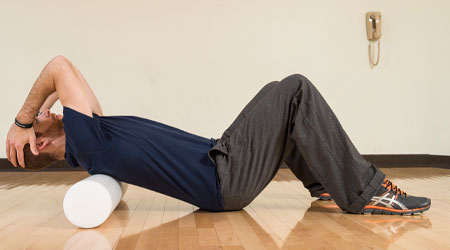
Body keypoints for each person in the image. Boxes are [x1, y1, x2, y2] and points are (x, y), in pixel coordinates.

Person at [6, 55, 431, 215]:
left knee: (275, 92)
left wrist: (38, 116)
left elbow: (73, 75)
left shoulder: (92, 138)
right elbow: (59, 67)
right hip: (221, 178)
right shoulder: (87, 143)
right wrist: (22, 123)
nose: (49, 110)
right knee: (294, 88)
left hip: (219, 162)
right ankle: (369, 192)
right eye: (43, 122)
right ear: (42, 143)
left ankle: (324, 184)